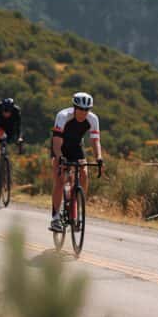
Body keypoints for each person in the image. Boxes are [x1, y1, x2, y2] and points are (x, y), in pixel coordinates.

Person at [50, 92, 103, 231]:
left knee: (84, 173)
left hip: (76, 147)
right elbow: (56, 141)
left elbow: (95, 140)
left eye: (87, 109)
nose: (84, 112)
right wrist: (60, 157)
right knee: (60, 180)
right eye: (81, 109)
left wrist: (99, 157)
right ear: (75, 107)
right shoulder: (63, 116)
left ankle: (76, 207)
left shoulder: (93, 119)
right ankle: (55, 218)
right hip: (60, 146)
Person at [0, 97, 23, 169]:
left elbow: (18, 127)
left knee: (9, 140)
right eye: (4, 112)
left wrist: (19, 138)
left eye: (8, 112)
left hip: (9, 126)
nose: (6, 114)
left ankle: (4, 161)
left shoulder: (16, 111)